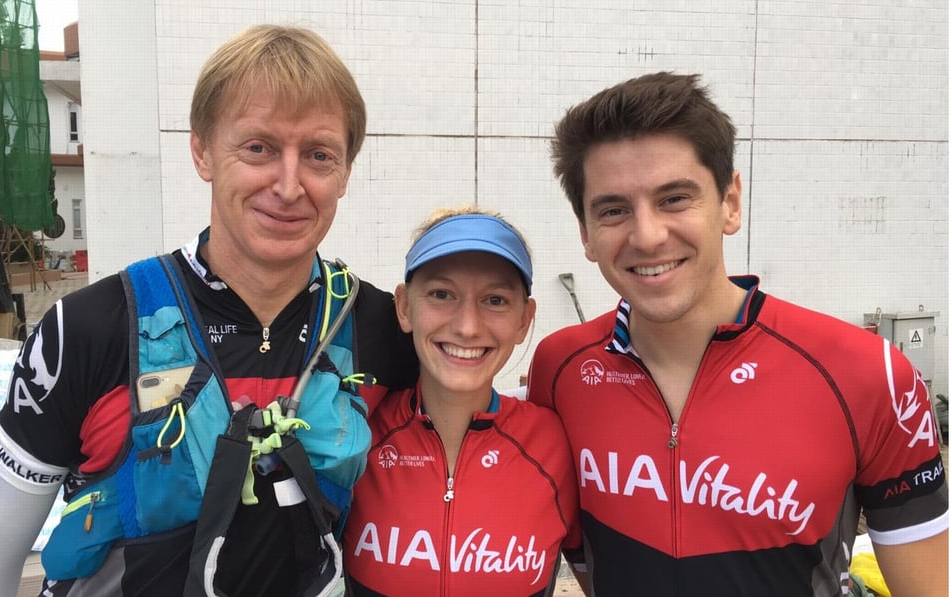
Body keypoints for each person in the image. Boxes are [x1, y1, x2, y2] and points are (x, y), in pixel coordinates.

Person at [0, 25, 417, 597]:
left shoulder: (384, 328)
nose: (289, 186)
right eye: (259, 148)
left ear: (344, 174)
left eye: (318, 155)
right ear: (203, 152)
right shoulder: (89, 328)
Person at [526, 72, 948, 596]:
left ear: (730, 202)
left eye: (675, 198)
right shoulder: (559, 368)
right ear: (586, 234)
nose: (647, 235)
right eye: (613, 210)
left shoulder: (869, 374)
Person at [342, 207, 585, 596]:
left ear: (525, 319)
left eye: (495, 299)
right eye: (441, 294)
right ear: (404, 307)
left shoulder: (556, 444)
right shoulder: (356, 434)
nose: (468, 326)